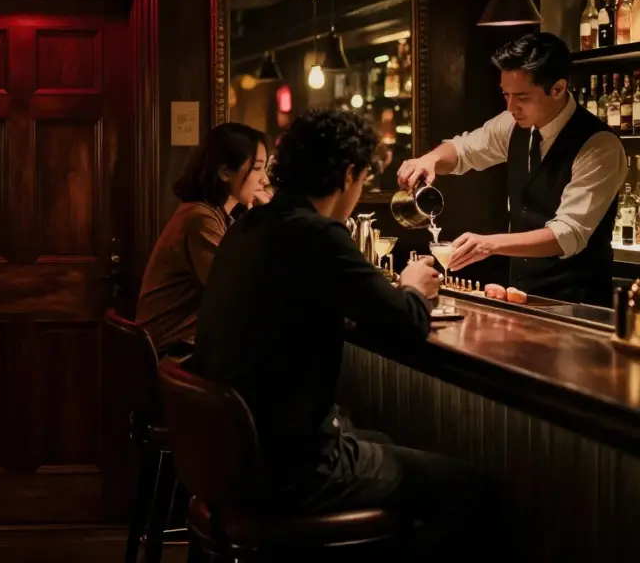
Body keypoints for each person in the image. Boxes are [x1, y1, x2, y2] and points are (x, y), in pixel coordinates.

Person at [192, 109, 487, 560]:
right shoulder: (317, 233)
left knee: (385, 446)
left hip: (230, 461)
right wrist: (413, 287)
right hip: (293, 469)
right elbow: (406, 322)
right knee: (467, 488)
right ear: (349, 174)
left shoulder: (249, 227)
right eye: (364, 179)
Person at [398, 32, 626, 306]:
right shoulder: (513, 124)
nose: (510, 106)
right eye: (505, 94)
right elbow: (464, 150)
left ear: (558, 89)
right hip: (520, 294)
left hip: (579, 305)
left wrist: (489, 244)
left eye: (522, 97)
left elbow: (568, 234)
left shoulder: (599, 145)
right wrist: (430, 160)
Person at [136, 122, 267, 360]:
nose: (264, 180)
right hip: (174, 355)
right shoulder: (200, 219)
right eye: (258, 168)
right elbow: (237, 293)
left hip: (187, 347)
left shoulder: (217, 216)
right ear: (225, 172)